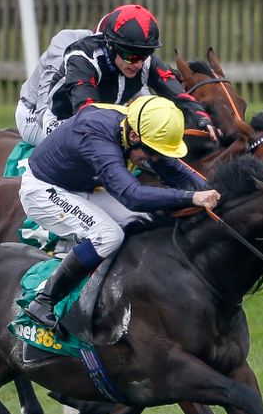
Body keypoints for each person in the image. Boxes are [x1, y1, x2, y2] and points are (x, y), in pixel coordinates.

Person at [18, 95, 221, 330]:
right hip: (45, 189)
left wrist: (218, 193)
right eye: (151, 151)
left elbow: (174, 168)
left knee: (146, 221)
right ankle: (44, 301)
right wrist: (191, 197)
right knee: (108, 235)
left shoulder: (137, 130)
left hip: (82, 186)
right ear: (133, 136)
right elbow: (132, 196)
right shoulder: (98, 137)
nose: (154, 159)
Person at [16, 4, 217, 147]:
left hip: (90, 109)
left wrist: (201, 117)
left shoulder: (135, 59)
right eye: (131, 55)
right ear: (107, 42)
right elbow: (81, 113)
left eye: (145, 55)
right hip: (39, 114)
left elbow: (161, 96)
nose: (139, 63)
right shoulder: (76, 51)